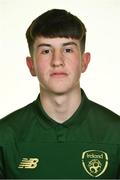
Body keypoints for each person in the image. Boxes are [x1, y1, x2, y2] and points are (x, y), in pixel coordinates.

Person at [0, 8, 120, 179]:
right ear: (31, 65)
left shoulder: (116, 133)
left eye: (68, 50)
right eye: (46, 51)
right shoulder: (4, 137)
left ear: (84, 62)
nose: (57, 61)